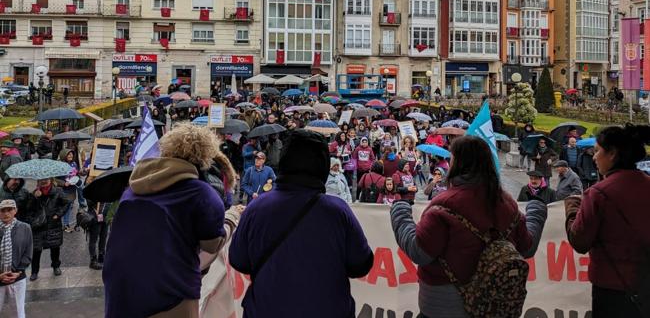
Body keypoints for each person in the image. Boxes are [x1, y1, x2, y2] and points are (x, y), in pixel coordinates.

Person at [391, 136, 548, 318]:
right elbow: (527, 248)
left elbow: (420, 251)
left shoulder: (444, 204)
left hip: (444, 306)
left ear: (458, 163)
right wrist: (536, 212)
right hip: (494, 305)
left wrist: (400, 212)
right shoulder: (506, 203)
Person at [229, 129, 374, 317]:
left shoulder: (257, 208)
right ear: (322, 165)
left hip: (266, 309)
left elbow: (239, 260)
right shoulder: (337, 211)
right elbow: (361, 264)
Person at [103, 123, 236, 317]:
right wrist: (231, 219)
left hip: (121, 285)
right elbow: (211, 245)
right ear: (206, 155)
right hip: (170, 288)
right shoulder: (201, 193)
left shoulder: (133, 188)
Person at [565, 124, 650, 317]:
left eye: (597, 151)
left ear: (612, 154)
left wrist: (572, 208)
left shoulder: (598, 194)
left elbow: (579, 240)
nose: (594, 157)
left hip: (611, 288)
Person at [27, 178, 68, 281]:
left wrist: (58, 215)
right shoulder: (34, 193)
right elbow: (28, 209)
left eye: (46, 179)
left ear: (50, 180)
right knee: (36, 249)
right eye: (41, 180)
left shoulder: (57, 191)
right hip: (38, 226)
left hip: (53, 224)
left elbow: (66, 203)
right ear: (38, 181)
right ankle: (34, 271)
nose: (43, 181)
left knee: (55, 247)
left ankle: (56, 266)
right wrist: (34, 198)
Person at [0, 199, 32, 318]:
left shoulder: (25, 228)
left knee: (19, 313)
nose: (6, 213)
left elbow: (28, 252)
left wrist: (18, 271)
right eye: (2, 210)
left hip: (18, 278)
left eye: (9, 210)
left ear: (15, 211)